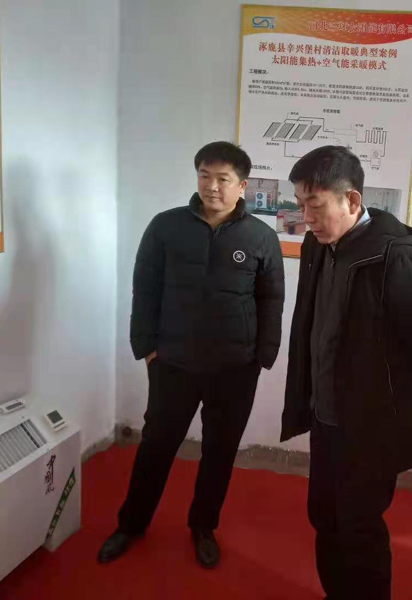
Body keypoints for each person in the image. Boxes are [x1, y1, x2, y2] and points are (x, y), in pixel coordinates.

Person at [98, 142, 285, 568]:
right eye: (205, 175)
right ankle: (131, 524)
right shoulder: (165, 227)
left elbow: (271, 300)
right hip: (173, 364)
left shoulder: (261, 237)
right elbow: (144, 289)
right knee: (155, 447)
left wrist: (262, 357)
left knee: (219, 452)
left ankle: (203, 527)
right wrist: (147, 349)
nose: (212, 186)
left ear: (242, 186)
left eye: (223, 179)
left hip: (235, 369)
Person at [281, 145, 412, 600]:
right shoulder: (318, 247)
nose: (306, 218)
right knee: (324, 517)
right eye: (300, 206)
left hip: (371, 426)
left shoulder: (397, 258)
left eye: (315, 206)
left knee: (360, 527)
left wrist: (392, 399)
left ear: (352, 200)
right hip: (325, 417)